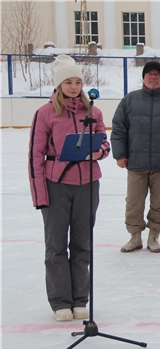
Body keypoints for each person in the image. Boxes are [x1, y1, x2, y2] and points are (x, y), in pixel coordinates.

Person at [28, 55, 110, 321]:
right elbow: (35, 156)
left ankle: (79, 299)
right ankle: (61, 301)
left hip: (88, 184)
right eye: (68, 82)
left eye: (77, 82)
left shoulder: (93, 112)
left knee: (82, 244)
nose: (74, 87)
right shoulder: (45, 113)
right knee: (55, 246)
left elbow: (105, 143)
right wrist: (40, 195)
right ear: (58, 85)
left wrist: (99, 152)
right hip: (56, 185)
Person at [111, 61, 160, 253]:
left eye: (157, 74)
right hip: (136, 163)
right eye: (150, 74)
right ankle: (135, 236)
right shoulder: (130, 100)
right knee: (134, 203)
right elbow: (119, 130)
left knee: (159, 203)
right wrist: (120, 154)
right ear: (144, 77)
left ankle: (154, 236)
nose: (153, 77)